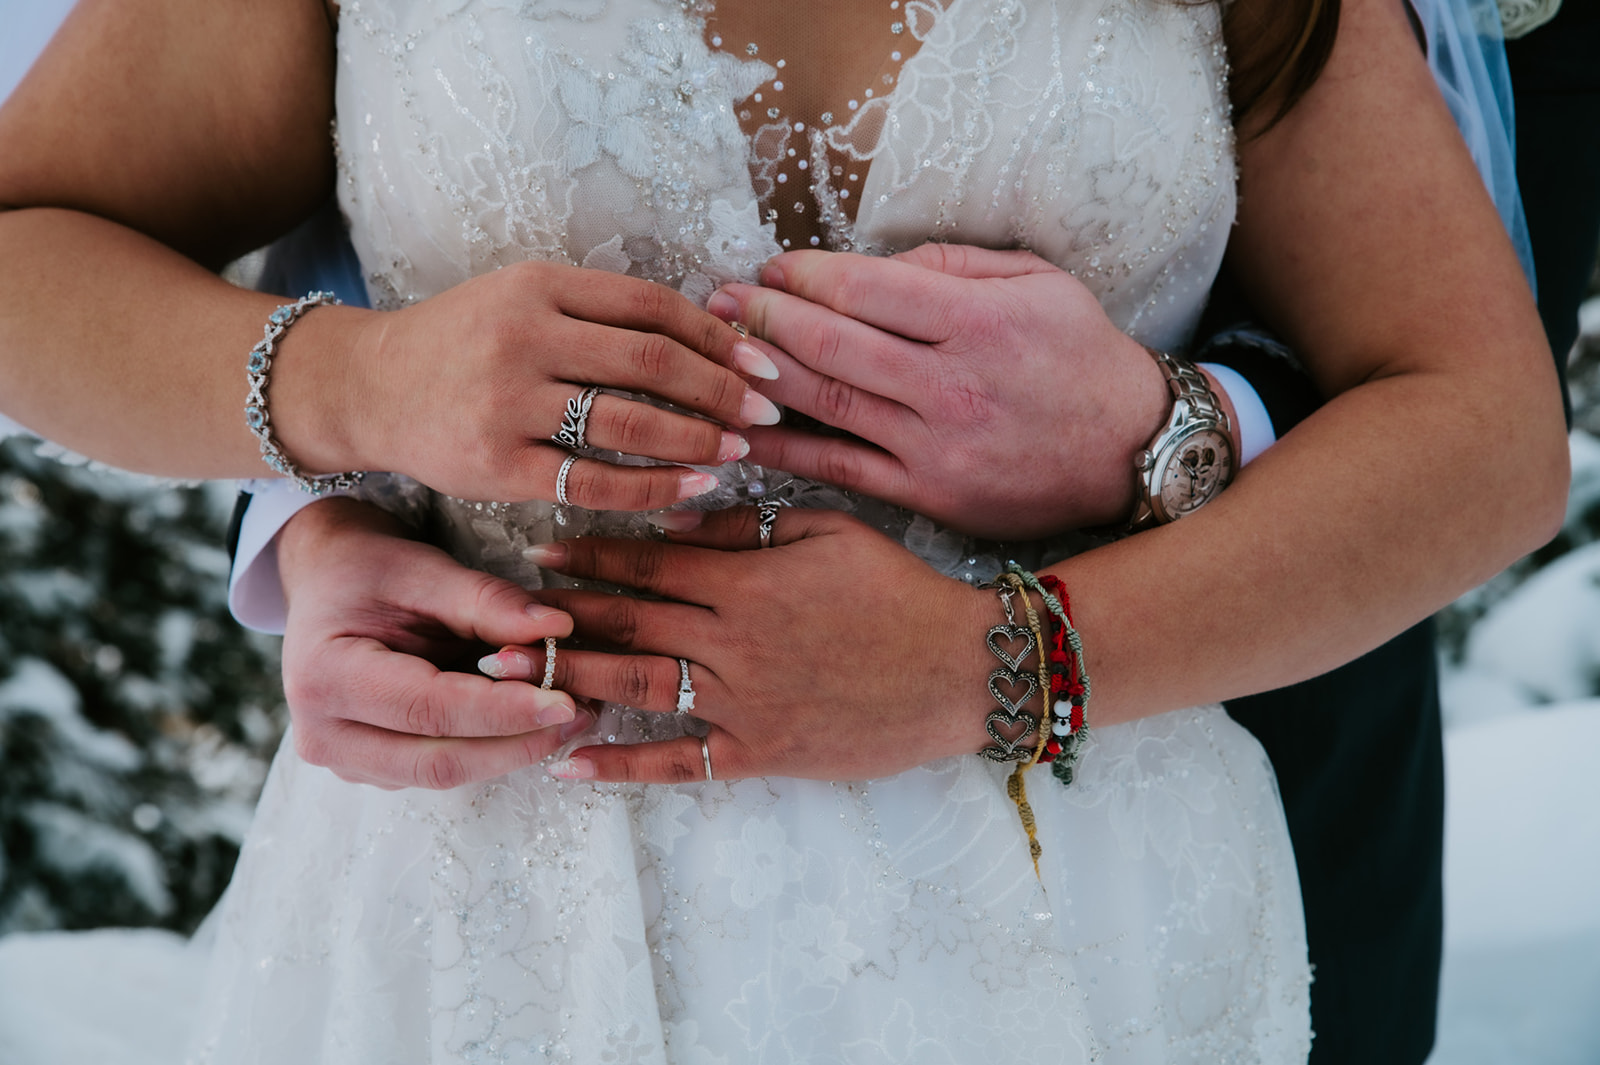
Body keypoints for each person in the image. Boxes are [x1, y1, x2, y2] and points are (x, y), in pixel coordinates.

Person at [0, 0, 1567, 1061]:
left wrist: (1002, 657)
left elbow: (1481, 429)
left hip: (1076, 914)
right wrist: (359, 382)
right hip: (496, 914)